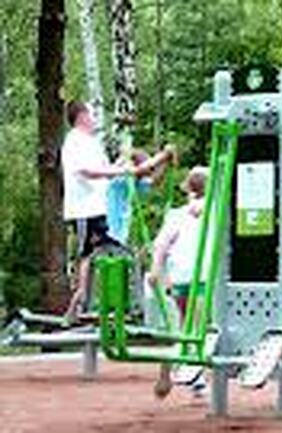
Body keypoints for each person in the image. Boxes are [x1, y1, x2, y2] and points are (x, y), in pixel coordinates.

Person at [60, 101, 133, 321]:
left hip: (98, 207)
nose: (94, 120)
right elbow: (85, 171)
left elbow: (104, 169)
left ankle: (104, 300)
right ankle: (79, 301)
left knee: (107, 249)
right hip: (83, 209)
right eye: (91, 114)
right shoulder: (74, 141)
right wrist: (114, 172)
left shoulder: (91, 143)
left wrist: (120, 165)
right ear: (81, 116)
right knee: (86, 254)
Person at [146, 166, 209, 398]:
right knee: (197, 327)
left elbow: (161, 245)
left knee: (186, 326)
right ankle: (190, 373)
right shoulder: (212, 209)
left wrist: (156, 269)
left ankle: (184, 371)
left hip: (181, 276)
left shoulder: (177, 214)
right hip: (200, 276)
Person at [107, 146, 177, 246]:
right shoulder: (119, 181)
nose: (148, 174)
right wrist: (164, 155)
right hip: (108, 234)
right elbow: (143, 169)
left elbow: (154, 181)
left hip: (118, 236)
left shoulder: (134, 182)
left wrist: (165, 162)